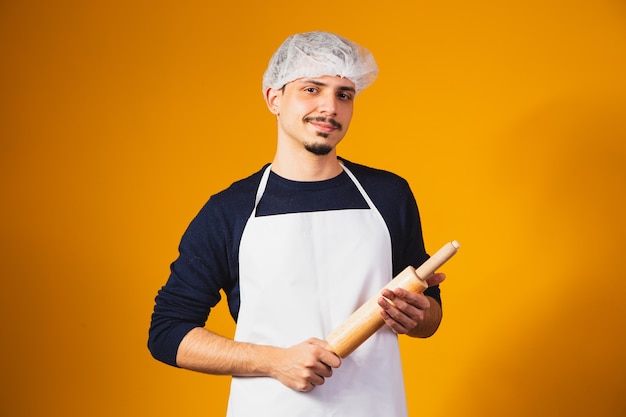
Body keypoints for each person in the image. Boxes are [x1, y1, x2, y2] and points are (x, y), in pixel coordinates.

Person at [148, 31, 446, 417]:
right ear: (274, 98)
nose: (330, 107)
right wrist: (273, 361)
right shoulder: (229, 211)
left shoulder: (389, 195)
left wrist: (419, 315)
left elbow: (430, 317)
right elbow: (168, 332)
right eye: (311, 88)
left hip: (375, 406)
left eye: (344, 94)